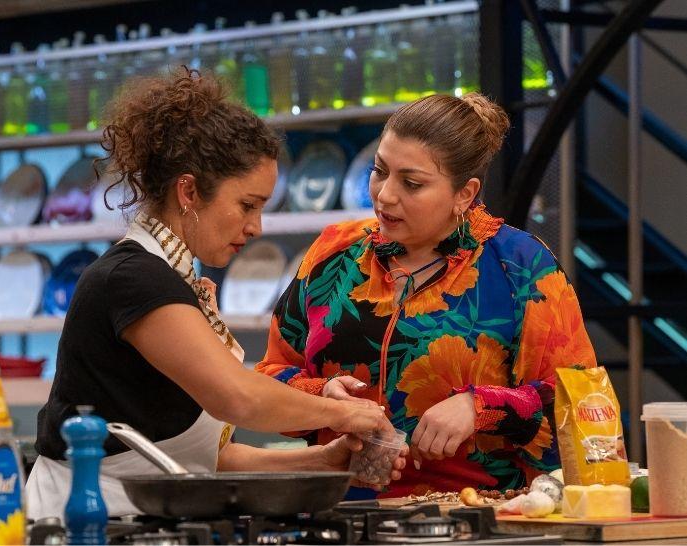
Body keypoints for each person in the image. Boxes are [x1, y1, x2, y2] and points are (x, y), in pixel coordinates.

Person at [28, 70, 404, 519]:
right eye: (247, 205)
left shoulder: (173, 279)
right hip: (82, 521)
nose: (255, 227)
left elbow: (203, 461)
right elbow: (238, 397)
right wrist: (342, 414)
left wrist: (322, 461)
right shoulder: (133, 278)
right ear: (188, 191)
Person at [256, 92, 597, 498]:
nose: (384, 195)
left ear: (465, 194)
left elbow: (582, 407)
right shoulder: (334, 253)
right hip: (338, 511)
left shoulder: (521, 266)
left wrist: (481, 408)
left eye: (412, 183)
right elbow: (269, 379)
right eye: (379, 170)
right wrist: (321, 398)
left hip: (476, 518)